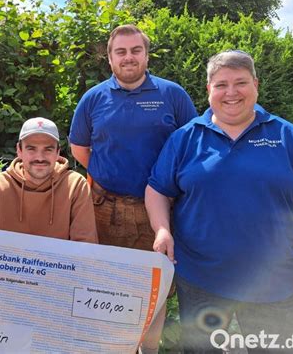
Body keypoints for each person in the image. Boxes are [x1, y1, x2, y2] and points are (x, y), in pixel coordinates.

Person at [146, 50, 293, 353]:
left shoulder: (289, 137)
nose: (231, 92)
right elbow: (157, 189)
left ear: (256, 85)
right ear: (209, 90)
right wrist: (162, 230)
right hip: (201, 283)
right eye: (221, 84)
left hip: (274, 285)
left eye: (241, 82)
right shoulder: (185, 137)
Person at [69, 24, 197, 353]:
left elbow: (191, 147)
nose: (129, 57)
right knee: (105, 287)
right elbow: (79, 149)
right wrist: (108, 176)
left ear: (146, 55)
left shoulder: (172, 95)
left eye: (135, 50)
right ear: (109, 59)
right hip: (103, 210)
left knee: (154, 289)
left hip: (160, 213)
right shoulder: (93, 98)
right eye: (120, 52)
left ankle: (148, 350)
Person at [0, 117, 98, 244]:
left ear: (57, 152)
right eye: (31, 149)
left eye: (48, 149)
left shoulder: (76, 186)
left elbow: (85, 247)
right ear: (19, 151)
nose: (39, 157)